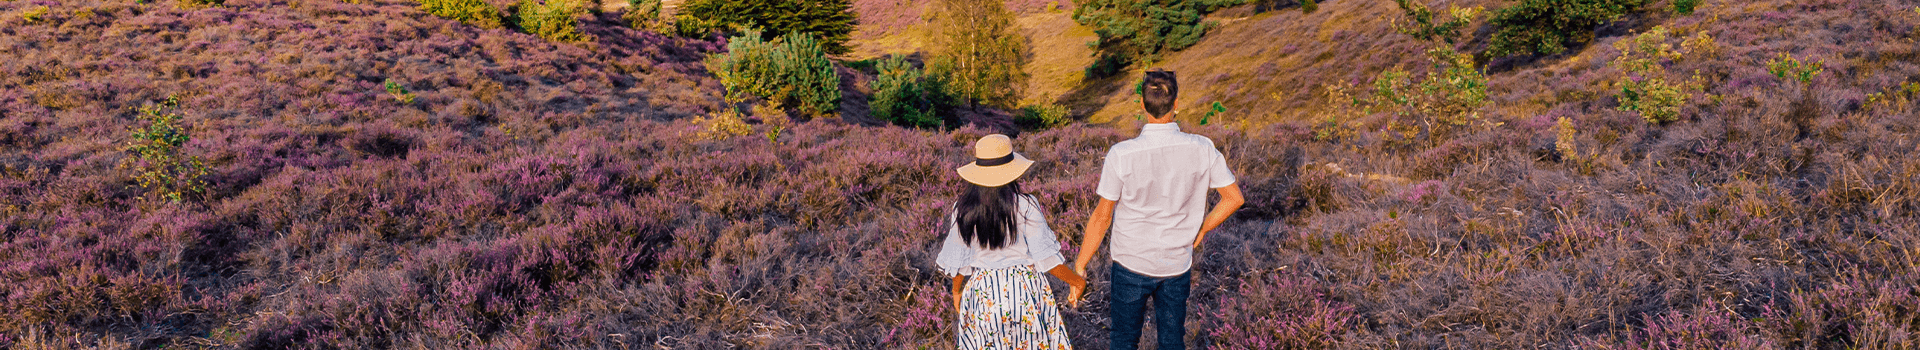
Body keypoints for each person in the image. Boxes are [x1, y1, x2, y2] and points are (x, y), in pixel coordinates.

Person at [1067, 69, 1244, 350]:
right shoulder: (1202, 148)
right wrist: (1203, 228)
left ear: (1142, 103)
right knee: (1172, 340)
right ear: (1176, 104)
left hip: (1130, 263)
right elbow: (1233, 198)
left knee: (1124, 340)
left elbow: (1102, 215)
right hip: (1176, 263)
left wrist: (1081, 263)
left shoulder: (1122, 154)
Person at [937, 134, 1088, 349]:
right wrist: (1076, 281)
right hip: (1024, 291)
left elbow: (959, 258)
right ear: (1011, 170)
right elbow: (1047, 260)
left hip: (982, 293)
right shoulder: (1026, 206)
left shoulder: (962, 208)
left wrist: (956, 291)